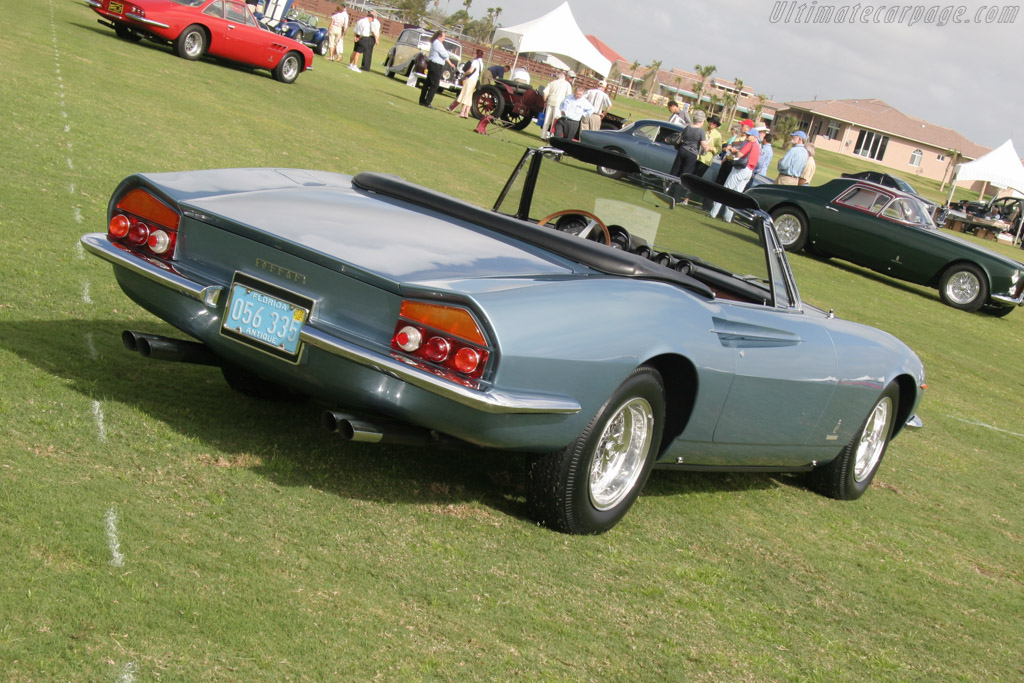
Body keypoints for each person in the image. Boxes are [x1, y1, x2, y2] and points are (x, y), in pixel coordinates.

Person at [710, 127, 760, 223]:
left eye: (749, 135)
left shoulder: (750, 144)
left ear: (754, 137)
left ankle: (713, 213)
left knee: (726, 189)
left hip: (741, 169)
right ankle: (728, 217)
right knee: (736, 195)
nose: (747, 136)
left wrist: (734, 150)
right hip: (749, 171)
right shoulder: (757, 146)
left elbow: (740, 155)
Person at [669, 110, 706, 203]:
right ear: (702, 121)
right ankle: (676, 197)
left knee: (675, 171)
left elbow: (682, 137)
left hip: (682, 150)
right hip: (692, 154)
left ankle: (669, 190)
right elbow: (703, 145)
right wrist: (708, 143)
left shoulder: (687, 127)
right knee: (684, 175)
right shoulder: (701, 131)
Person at [419, 29, 458, 108]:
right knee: (435, 85)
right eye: (443, 37)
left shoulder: (436, 43)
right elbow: (444, 54)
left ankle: (422, 100)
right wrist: (450, 63)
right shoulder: (437, 43)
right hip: (435, 65)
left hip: (433, 64)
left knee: (428, 83)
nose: (444, 39)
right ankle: (427, 102)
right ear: (439, 36)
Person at [540, 71, 572, 140]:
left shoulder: (552, 82)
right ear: (564, 77)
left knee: (547, 119)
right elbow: (568, 96)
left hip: (550, 101)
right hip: (559, 104)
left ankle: (543, 135)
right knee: (556, 120)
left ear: (558, 77)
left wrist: (545, 101)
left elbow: (544, 92)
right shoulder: (567, 84)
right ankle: (551, 135)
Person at [456, 49, 485, 118]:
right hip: (475, 81)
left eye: (475, 54)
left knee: (465, 95)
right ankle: (466, 113)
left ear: (477, 54)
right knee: (469, 96)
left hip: (470, 79)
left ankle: (462, 112)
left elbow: (470, 70)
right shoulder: (481, 63)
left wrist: (464, 74)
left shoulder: (475, 61)